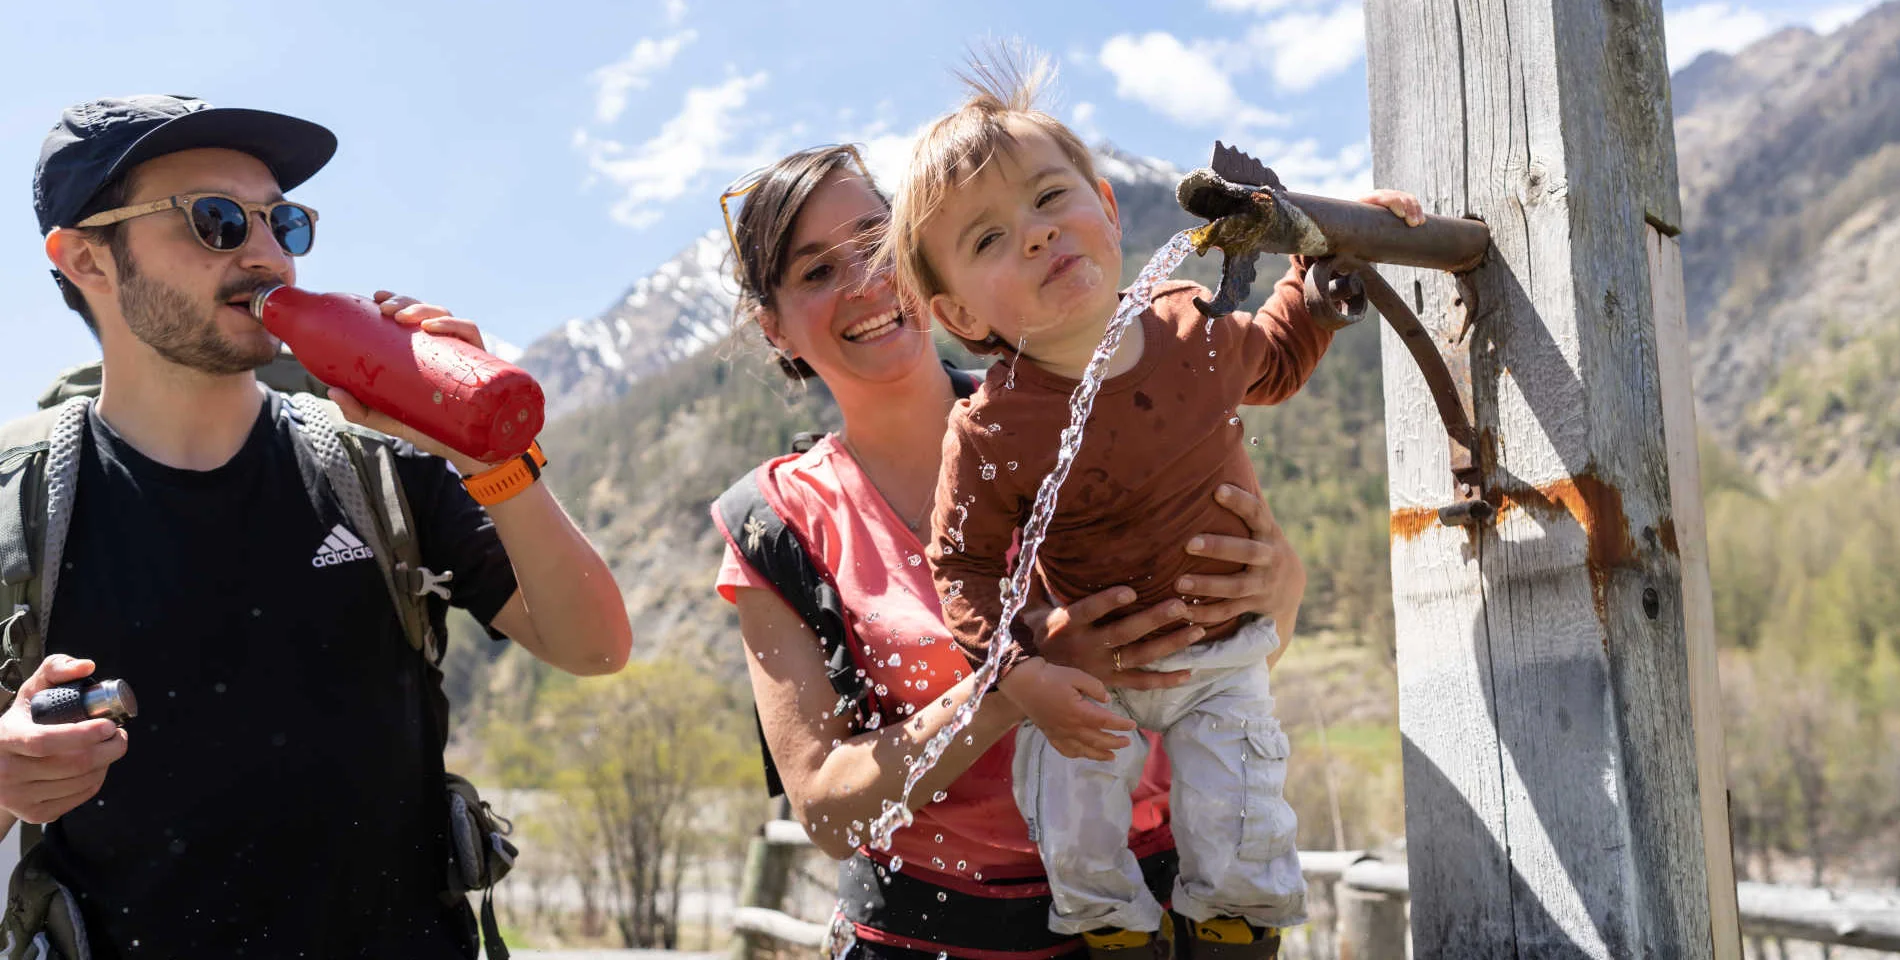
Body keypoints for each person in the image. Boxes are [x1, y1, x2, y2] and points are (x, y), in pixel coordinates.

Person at [0, 94, 632, 958]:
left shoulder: (384, 465)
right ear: (87, 260)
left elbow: (594, 646)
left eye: (284, 222)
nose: (267, 256)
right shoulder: (19, 507)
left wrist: (490, 455)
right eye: (216, 221)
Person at [710, 143, 1306, 960]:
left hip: (1166, 922)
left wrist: (1283, 585)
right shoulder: (776, 523)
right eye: (816, 272)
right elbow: (827, 812)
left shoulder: (1104, 389)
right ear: (771, 325)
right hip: (928, 942)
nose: (864, 282)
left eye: (878, 245)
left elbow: (1241, 654)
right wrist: (1018, 681)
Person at [886, 59, 1425, 959]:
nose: (1034, 235)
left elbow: (1279, 361)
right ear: (956, 312)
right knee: (1077, 831)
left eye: (1052, 198)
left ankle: (1232, 938)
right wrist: (1025, 675)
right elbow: (962, 567)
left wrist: (1323, 278)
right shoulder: (991, 428)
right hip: (1085, 675)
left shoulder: (1196, 327)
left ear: (1104, 203)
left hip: (1220, 648)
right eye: (986, 241)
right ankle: (1116, 943)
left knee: (1244, 823)